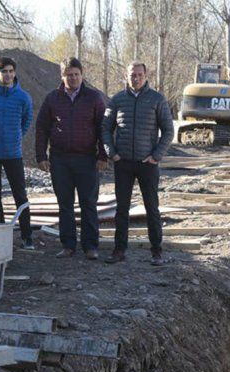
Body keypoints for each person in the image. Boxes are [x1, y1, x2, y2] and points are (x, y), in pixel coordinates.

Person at [101, 61, 173, 266]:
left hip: (147, 163)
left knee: (152, 208)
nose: (136, 78)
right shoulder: (117, 100)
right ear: (126, 76)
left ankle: (156, 251)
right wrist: (111, 153)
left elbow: (168, 130)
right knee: (121, 209)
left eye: (140, 75)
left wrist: (156, 156)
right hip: (122, 163)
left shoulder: (157, 99)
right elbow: (106, 128)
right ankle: (119, 250)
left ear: (146, 75)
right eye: (133, 75)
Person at [36, 57, 106, 259]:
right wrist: (41, 155)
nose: (73, 78)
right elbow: (41, 128)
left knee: (88, 203)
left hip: (87, 159)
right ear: (62, 76)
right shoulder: (52, 98)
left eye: (76, 74)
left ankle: (90, 246)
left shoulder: (94, 98)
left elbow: (103, 128)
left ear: (82, 75)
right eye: (69, 74)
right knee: (65, 204)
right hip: (60, 160)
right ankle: (68, 245)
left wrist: (103, 155)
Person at [0, 57, 34, 249]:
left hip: (13, 153)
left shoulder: (23, 97)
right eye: (4, 71)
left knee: (20, 194)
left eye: (11, 71)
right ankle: (0, 237)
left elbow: (27, 120)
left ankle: (27, 236)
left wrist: (17, 135)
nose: (9, 75)